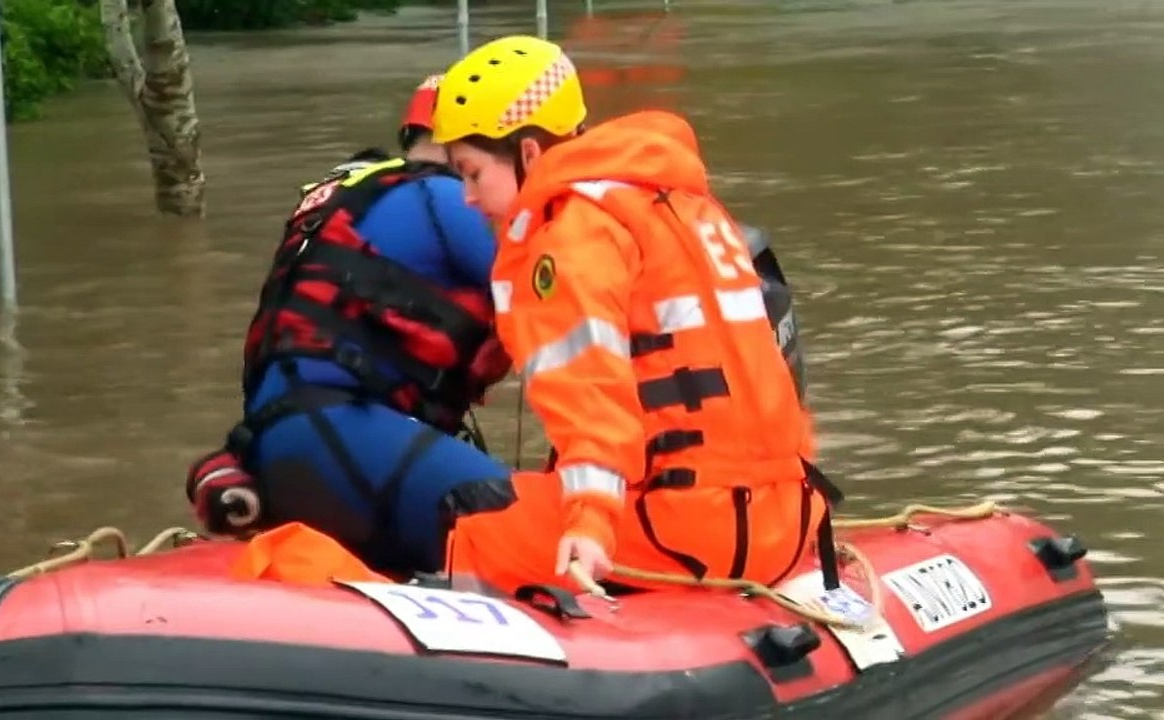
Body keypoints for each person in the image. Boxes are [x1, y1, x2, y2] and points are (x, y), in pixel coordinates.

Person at [429, 35, 844, 594]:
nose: (467, 196)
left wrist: (589, 521)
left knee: (471, 520)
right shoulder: (688, 205)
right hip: (787, 519)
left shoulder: (573, 234)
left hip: (687, 530)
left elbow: (590, 393)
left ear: (528, 153)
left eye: (472, 172)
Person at [184, 74, 517, 577]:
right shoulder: (446, 200)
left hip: (275, 450)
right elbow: (566, 300)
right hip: (350, 442)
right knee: (543, 532)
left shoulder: (349, 195)